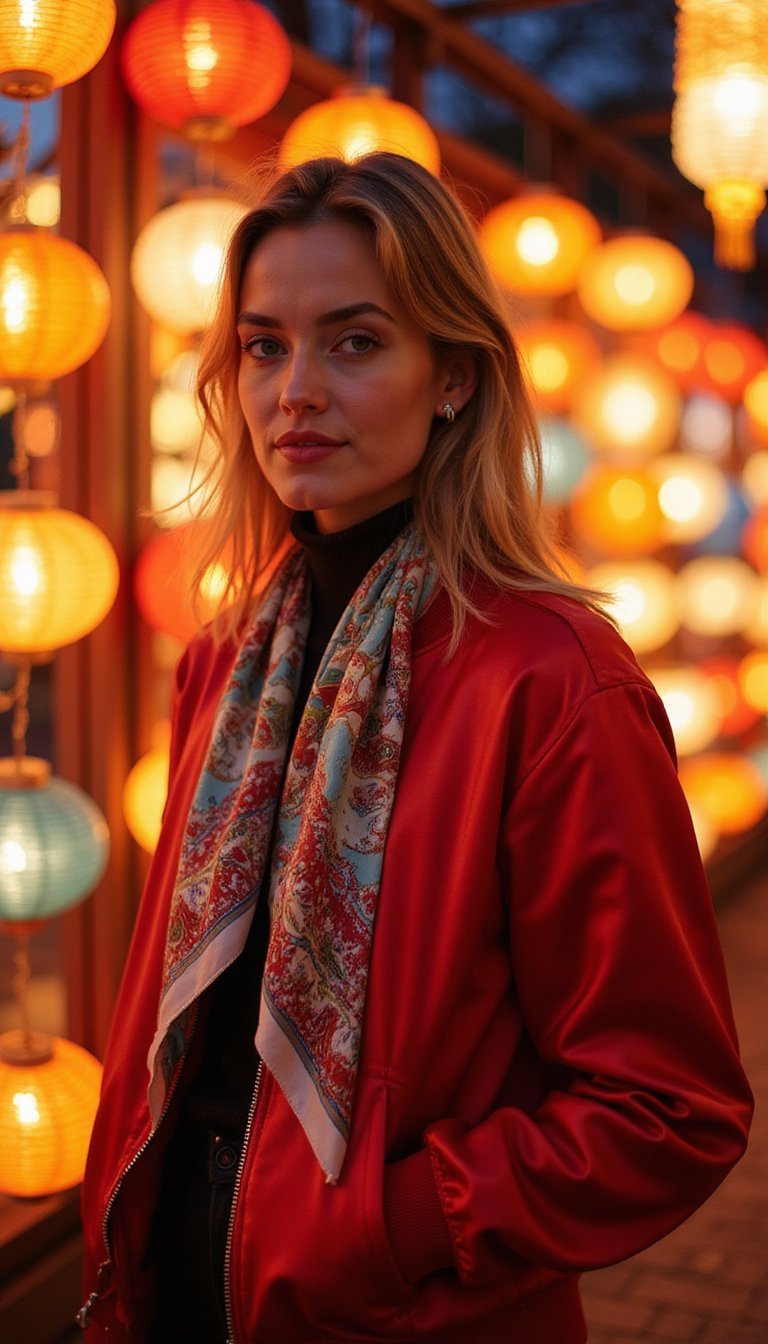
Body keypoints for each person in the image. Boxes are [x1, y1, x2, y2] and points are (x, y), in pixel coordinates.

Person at [79, 152, 752, 1344]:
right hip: (176, 1288)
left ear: (451, 376)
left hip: (393, 1309)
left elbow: (666, 1107)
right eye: (263, 346)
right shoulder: (227, 659)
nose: (295, 392)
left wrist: (395, 1228)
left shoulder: (548, 680)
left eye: (354, 342)